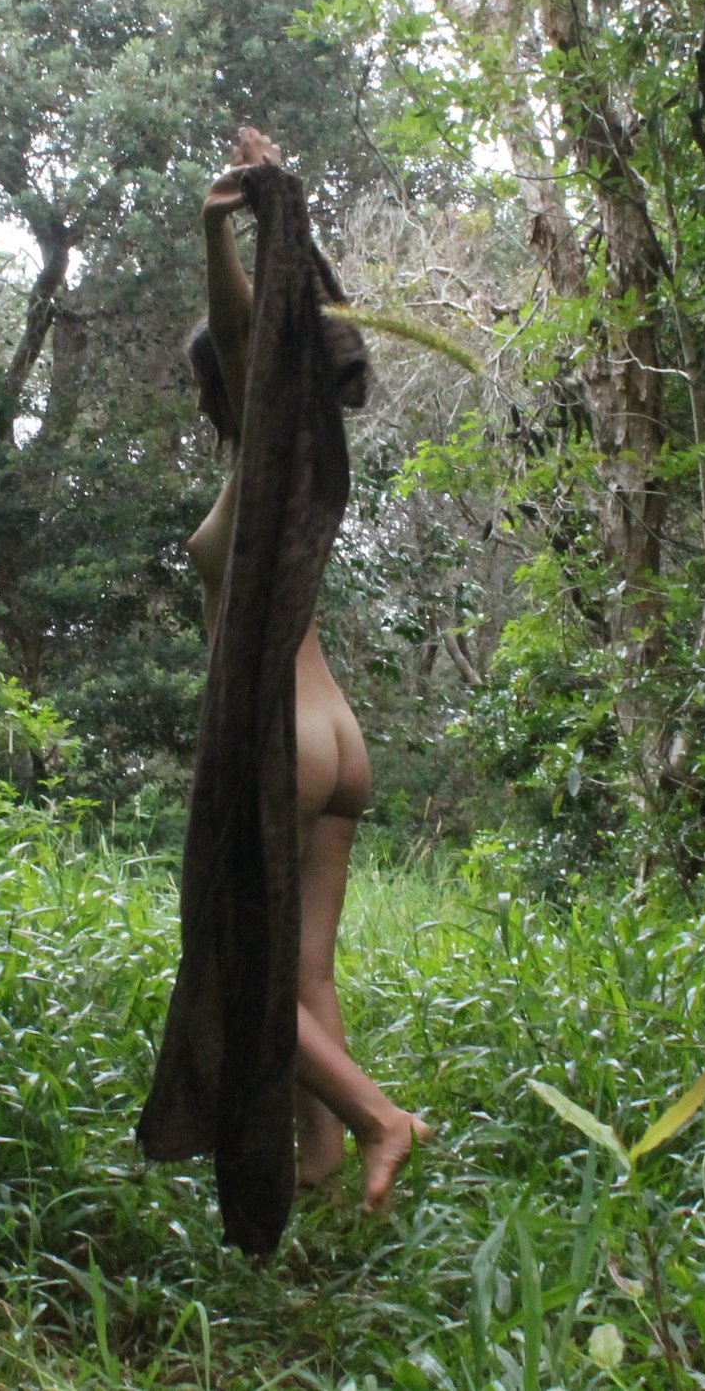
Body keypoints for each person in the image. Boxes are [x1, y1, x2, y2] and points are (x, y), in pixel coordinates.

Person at [183, 126, 432, 1213]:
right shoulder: (305, 470)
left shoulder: (264, 461)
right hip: (339, 739)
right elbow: (283, 340)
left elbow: (254, 342)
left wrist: (223, 236)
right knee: (308, 969)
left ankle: (380, 1119)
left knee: (240, 963)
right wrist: (279, 210)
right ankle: (325, 1164)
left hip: (283, 735)